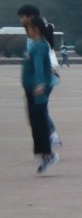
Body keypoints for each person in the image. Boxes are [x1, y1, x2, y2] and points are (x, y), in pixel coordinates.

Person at [22, 16, 57, 173]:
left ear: (35, 29)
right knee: (35, 124)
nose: (27, 31)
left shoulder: (40, 46)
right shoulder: (35, 45)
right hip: (32, 92)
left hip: (37, 93)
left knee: (39, 125)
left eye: (28, 28)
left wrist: (40, 84)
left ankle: (48, 155)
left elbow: (39, 67)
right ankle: (45, 156)